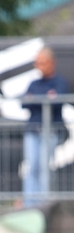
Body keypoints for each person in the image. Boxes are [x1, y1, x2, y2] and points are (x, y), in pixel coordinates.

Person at [21, 47, 67, 204]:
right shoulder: (34, 83)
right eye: (37, 63)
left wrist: (36, 99)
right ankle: (29, 205)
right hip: (33, 131)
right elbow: (25, 102)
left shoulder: (59, 82)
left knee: (44, 169)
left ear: (51, 63)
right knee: (31, 168)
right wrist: (44, 98)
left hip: (50, 131)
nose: (39, 66)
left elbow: (57, 102)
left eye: (42, 62)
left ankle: (43, 205)